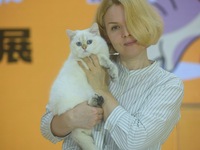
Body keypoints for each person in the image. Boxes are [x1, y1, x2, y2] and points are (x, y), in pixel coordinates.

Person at [40, 0, 184, 149]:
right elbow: (46, 127)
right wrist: (70, 118)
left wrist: (102, 89)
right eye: (115, 27)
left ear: (146, 24)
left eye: (132, 22)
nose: (126, 33)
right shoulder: (88, 64)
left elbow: (135, 143)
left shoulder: (168, 85)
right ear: (106, 35)